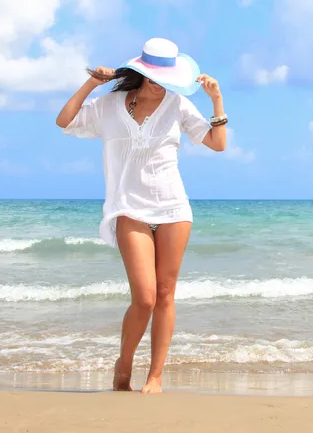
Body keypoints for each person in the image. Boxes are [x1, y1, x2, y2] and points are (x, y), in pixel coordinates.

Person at [56, 38, 227, 393]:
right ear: (140, 72)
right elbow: (64, 120)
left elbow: (217, 143)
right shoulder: (109, 105)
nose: (158, 83)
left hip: (173, 208)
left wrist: (216, 99)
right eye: (152, 76)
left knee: (165, 293)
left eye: (164, 78)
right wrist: (92, 83)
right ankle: (125, 362)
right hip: (128, 207)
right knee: (145, 297)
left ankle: (156, 375)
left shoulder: (178, 105)